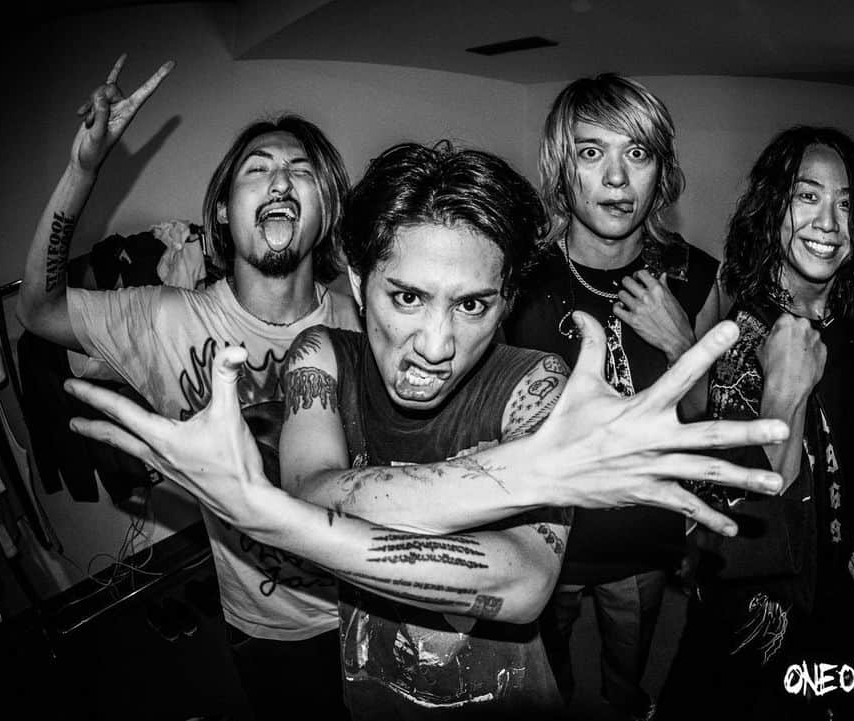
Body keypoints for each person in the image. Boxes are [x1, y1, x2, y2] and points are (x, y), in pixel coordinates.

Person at [64, 141, 791, 719]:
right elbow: (314, 486)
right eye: (407, 297)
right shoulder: (322, 356)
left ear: (505, 301)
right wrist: (526, 474)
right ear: (358, 284)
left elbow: (522, 583)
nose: (436, 344)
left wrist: (271, 516)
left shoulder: (536, 384)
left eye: (472, 306)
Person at [15, 55, 360, 720]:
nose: (279, 180)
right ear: (224, 214)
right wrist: (82, 172)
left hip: (375, 599)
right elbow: (40, 310)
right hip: (271, 631)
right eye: (257, 169)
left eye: (300, 170)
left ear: (325, 211)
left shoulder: (365, 319)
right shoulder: (168, 319)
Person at [503, 73, 722, 720]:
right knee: (546, 674)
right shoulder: (517, 275)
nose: (618, 178)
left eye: (638, 153)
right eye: (592, 152)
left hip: (643, 535)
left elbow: (707, 418)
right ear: (561, 167)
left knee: (628, 673)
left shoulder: (695, 276)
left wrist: (682, 345)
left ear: (662, 171)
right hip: (544, 534)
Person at [659, 126, 854, 719]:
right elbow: (744, 523)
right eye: (807, 196)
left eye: (846, 204)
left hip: (824, 557)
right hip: (753, 592)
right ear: (774, 208)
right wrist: (784, 395)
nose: (829, 222)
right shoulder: (751, 333)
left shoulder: (844, 312)